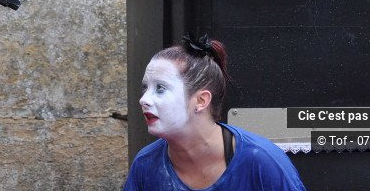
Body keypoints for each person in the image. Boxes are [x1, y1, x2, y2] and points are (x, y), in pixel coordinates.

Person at [123, 35, 306, 191]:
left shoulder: (262, 161)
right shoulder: (145, 164)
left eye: (160, 88)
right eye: (145, 88)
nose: (144, 100)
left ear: (201, 100)